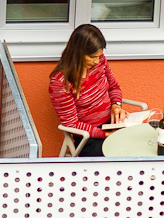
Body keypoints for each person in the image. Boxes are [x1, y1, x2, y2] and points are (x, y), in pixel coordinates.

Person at [49, 24, 126, 157]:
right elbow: (71, 123)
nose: (97, 61)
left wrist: (116, 105)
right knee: (119, 156)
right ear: (78, 53)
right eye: (92, 57)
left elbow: (114, 87)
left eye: (99, 56)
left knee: (142, 145)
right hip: (88, 136)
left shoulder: (100, 61)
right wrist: (105, 135)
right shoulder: (61, 82)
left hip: (112, 124)